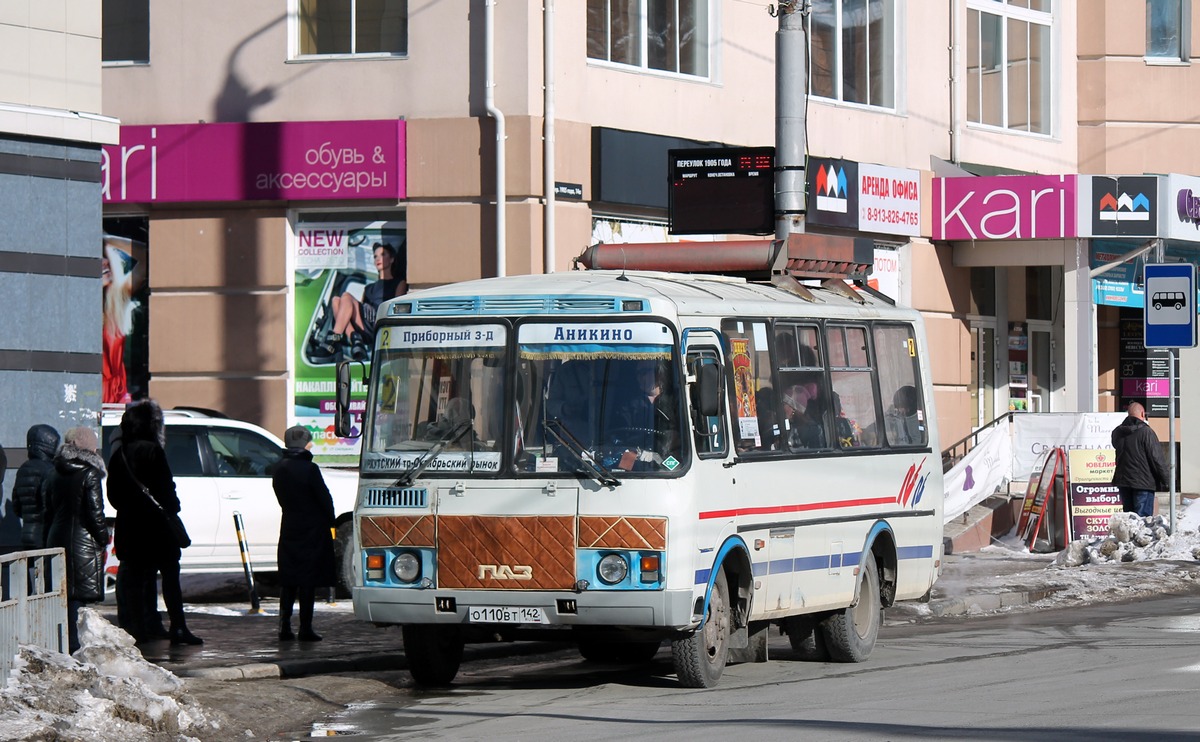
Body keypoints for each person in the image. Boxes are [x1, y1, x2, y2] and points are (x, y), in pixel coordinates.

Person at [106, 400, 202, 646]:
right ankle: (178, 627)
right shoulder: (153, 451)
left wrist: (131, 507)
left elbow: (113, 496)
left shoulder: (120, 455)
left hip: (130, 527)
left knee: (135, 581)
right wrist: (173, 507)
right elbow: (166, 488)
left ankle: (138, 629)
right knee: (170, 578)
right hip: (158, 528)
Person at [43, 427, 107, 654]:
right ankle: (75, 647)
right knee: (79, 597)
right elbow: (95, 513)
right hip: (83, 542)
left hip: (56, 538)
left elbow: (47, 510)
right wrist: (104, 538)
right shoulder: (89, 474)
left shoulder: (54, 472)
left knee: (65, 595)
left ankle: (65, 644)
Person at [273, 426, 336, 642]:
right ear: (303, 443)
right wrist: (331, 520)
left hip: (289, 525)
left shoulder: (280, 468)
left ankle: (284, 626)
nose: (311, 445)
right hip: (312, 529)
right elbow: (324, 498)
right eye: (309, 441)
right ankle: (305, 627)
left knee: (289, 578)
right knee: (307, 579)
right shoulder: (309, 469)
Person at [319, 242, 407, 361]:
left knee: (346, 296)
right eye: (375, 256)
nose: (378, 259)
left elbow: (398, 310)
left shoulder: (398, 283)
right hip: (365, 324)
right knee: (336, 300)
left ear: (391, 259)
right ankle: (356, 340)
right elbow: (358, 311)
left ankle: (334, 338)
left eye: (382, 254)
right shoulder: (368, 288)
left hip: (380, 323)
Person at [102, 235, 148, 404]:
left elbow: (144, 255)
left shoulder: (116, 300)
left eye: (105, 256)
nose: (104, 262)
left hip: (115, 401)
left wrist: (107, 240)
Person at [1111, 401, 1169, 518]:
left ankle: (1130, 537)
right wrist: (1166, 480)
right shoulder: (1146, 432)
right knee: (1143, 520)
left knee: (1129, 520)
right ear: (1142, 414)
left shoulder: (1117, 432)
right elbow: (1156, 458)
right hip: (1143, 483)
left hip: (1124, 482)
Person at [13, 424, 61, 548]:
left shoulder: (23, 469)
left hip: (26, 533)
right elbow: (50, 507)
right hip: (45, 534)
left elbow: (16, 507)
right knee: (46, 567)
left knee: (28, 566)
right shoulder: (51, 470)